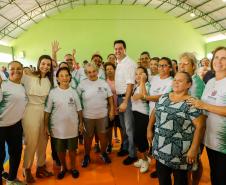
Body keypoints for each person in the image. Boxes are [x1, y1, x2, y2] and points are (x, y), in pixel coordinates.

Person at [147, 72, 206, 185]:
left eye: (180, 81)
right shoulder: (164, 97)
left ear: (189, 84)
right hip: (160, 148)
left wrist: (194, 149)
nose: (176, 82)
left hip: (180, 153)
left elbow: (201, 126)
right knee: (163, 180)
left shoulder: (191, 102)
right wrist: (149, 129)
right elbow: (155, 111)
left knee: (180, 181)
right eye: (175, 80)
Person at [187, 46, 226, 185]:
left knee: (222, 177)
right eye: (216, 57)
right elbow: (201, 105)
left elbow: (205, 105)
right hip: (210, 138)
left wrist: (204, 105)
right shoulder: (210, 82)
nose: (219, 61)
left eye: (223, 58)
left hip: (223, 142)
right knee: (215, 175)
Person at [44, 67, 82, 180]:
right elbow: (47, 111)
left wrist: (81, 124)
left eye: (66, 75)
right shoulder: (53, 93)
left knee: (72, 150)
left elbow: (79, 109)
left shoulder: (74, 92)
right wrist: (46, 126)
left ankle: (73, 167)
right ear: (57, 78)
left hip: (72, 127)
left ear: (70, 77)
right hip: (57, 129)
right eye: (61, 76)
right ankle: (63, 168)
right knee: (60, 150)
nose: (64, 78)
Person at [22, 55, 54, 183]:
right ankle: (27, 169)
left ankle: (41, 167)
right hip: (30, 110)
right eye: (43, 63)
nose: (45, 66)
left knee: (43, 140)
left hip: (44, 111)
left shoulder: (49, 80)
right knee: (31, 141)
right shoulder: (27, 77)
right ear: (38, 63)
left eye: (48, 64)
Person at [77, 63, 114, 167]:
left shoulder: (103, 83)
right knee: (88, 138)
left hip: (102, 116)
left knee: (103, 137)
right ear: (86, 73)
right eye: (89, 72)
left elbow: (110, 97)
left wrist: (111, 111)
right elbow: (77, 99)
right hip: (87, 116)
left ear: (97, 72)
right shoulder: (82, 85)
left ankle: (103, 153)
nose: (92, 74)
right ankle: (87, 156)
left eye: (93, 71)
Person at [144, 57, 174, 178]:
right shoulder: (154, 79)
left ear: (170, 68)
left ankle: (167, 170)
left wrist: (145, 97)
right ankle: (159, 168)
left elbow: (162, 97)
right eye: (159, 65)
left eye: (164, 65)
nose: (161, 68)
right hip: (152, 113)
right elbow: (148, 91)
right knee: (155, 144)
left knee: (165, 145)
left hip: (164, 118)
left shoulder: (171, 81)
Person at [0, 61, 27, 185]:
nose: (16, 71)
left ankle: (11, 179)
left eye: (19, 68)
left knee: (16, 152)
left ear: (23, 70)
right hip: (1, 126)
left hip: (16, 125)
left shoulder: (23, 86)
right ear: (8, 70)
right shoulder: (2, 85)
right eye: (13, 68)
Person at [114, 40, 137, 165]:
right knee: (123, 127)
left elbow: (130, 84)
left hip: (125, 99)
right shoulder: (119, 63)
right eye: (116, 49)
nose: (118, 51)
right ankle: (125, 148)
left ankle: (132, 154)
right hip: (119, 98)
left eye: (120, 48)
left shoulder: (129, 63)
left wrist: (125, 101)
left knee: (129, 128)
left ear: (125, 49)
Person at [131, 67, 151, 173]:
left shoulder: (146, 85)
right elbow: (135, 97)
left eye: (141, 74)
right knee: (138, 138)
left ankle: (145, 160)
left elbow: (144, 96)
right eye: (136, 74)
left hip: (143, 115)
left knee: (140, 138)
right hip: (136, 114)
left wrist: (143, 81)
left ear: (146, 75)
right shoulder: (136, 86)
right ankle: (145, 158)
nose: (138, 76)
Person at [104, 62, 122, 153]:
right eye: (107, 69)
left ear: (115, 70)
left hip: (120, 108)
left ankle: (123, 145)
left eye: (111, 69)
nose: (109, 71)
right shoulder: (104, 82)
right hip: (108, 109)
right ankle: (109, 145)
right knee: (109, 128)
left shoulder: (119, 80)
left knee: (121, 127)